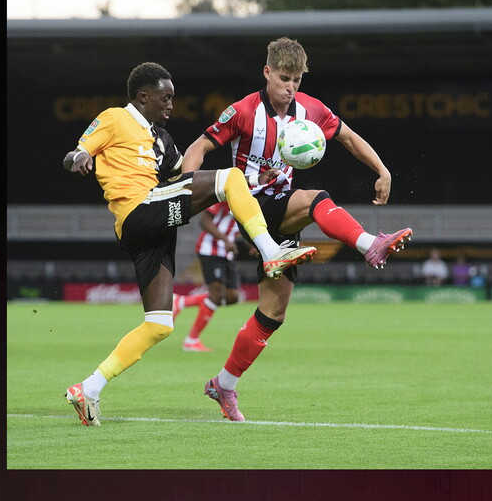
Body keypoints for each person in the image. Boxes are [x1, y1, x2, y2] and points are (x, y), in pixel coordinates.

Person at [60, 62, 317, 426]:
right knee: (228, 178)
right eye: (165, 98)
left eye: (173, 99)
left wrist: (257, 177)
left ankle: (89, 389)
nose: (171, 105)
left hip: (151, 227)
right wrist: (80, 157)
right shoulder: (115, 118)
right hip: (139, 209)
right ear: (143, 97)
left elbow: (187, 178)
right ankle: (271, 251)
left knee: (160, 323)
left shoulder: (162, 138)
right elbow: (78, 151)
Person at [180, 37, 413, 421]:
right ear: (267, 72)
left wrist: (383, 170)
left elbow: (350, 138)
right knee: (313, 197)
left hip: (280, 213)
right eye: (284, 78)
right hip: (251, 210)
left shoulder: (312, 110)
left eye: (297, 80)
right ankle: (370, 243)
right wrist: (186, 191)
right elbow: (198, 148)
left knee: (273, 312)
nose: (291, 87)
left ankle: (223, 385)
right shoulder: (242, 111)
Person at [172, 201, 250, 352]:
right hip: (210, 249)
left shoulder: (250, 198)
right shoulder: (226, 196)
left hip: (227, 252)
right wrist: (225, 240)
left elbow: (242, 226)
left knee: (232, 296)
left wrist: (250, 244)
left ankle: (181, 301)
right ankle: (191, 340)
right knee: (216, 294)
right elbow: (204, 221)